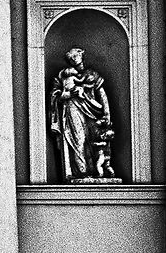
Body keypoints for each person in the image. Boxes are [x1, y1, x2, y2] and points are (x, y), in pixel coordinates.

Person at [48, 45, 118, 182]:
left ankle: (99, 170)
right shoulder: (62, 76)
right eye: (71, 57)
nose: (74, 59)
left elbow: (102, 94)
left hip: (92, 110)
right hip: (72, 107)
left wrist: (107, 114)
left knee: (95, 138)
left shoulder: (91, 75)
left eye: (76, 56)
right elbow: (54, 95)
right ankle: (82, 171)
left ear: (81, 55)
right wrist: (66, 94)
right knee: (78, 138)